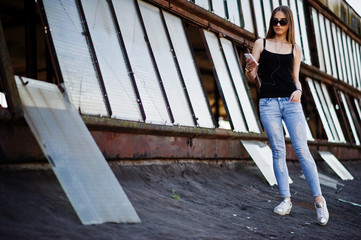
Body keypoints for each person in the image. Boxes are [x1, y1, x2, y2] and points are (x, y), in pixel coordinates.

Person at [244, 6, 329, 226]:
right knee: (278, 150)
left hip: (291, 103)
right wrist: (250, 68)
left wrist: (299, 90)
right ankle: (286, 200)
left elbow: (295, 78)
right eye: (275, 21)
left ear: (289, 23)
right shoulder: (261, 43)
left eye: (283, 21)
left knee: (302, 150)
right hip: (268, 103)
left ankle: (319, 202)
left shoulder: (295, 48)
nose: (278, 25)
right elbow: (252, 76)